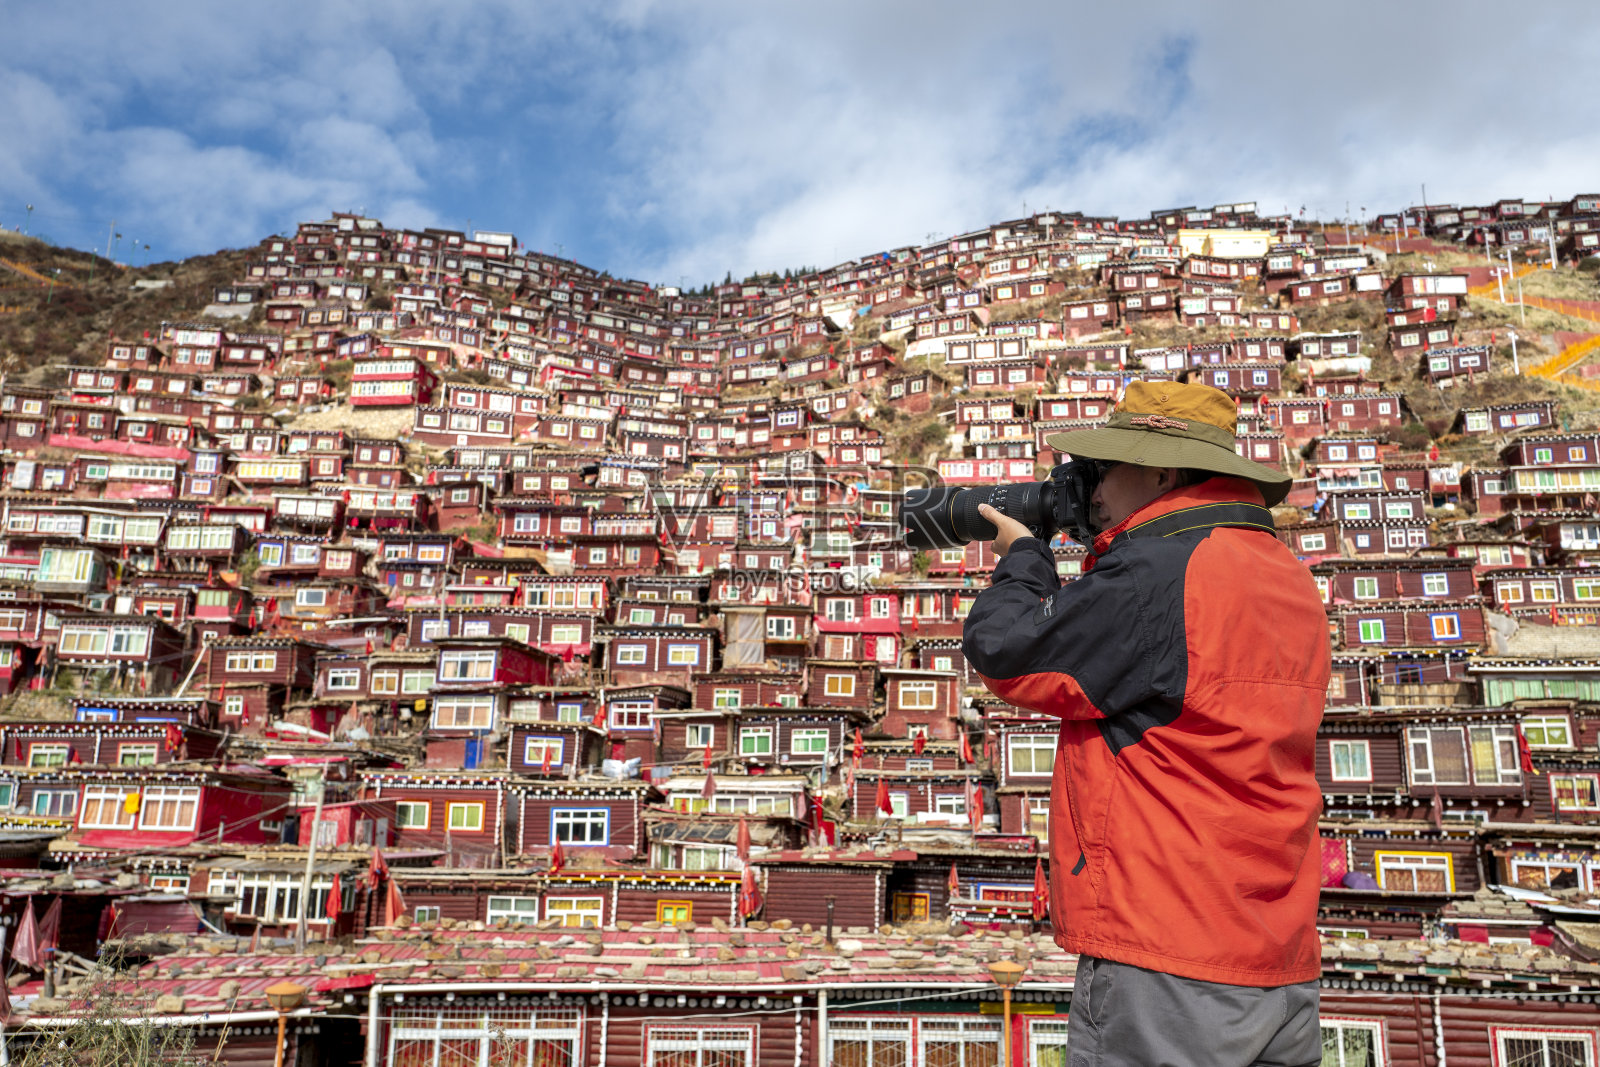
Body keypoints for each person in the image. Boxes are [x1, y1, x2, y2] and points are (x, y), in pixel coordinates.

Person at [962, 380, 1330, 1067]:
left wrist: (1022, 556)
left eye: (1108, 467)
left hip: (1168, 956)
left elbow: (1008, 655)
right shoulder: (1288, 576)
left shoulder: (1161, 571)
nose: (1093, 488)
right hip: (1279, 954)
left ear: (1161, 471)